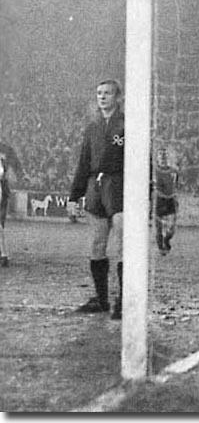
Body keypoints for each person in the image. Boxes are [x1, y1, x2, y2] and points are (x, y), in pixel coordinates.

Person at [67, 79, 125, 320]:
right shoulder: (92, 128)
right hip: (95, 186)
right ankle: (102, 300)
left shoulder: (128, 124)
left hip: (119, 185)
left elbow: (145, 158)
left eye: (107, 93)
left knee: (124, 243)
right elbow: (83, 163)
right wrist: (74, 196)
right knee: (97, 244)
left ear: (117, 97)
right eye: (99, 93)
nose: (102, 97)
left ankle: (124, 300)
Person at [0, 142, 29, 267]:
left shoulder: (5, 149)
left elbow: (16, 163)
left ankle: (3, 253)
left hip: (2, 187)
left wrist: (22, 175)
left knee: (0, 222)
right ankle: (3, 254)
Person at [153, 147, 179, 255]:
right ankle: (160, 247)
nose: (163, 156)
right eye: (160, 154)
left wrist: (175, 197)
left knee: (171, 227)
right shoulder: (155, 171)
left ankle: (166, 240)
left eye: (165, 154)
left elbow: (175, 185)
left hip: (170, 200)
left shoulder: (174, 171)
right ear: (157, 157)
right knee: (158, 228)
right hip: (159, 200)